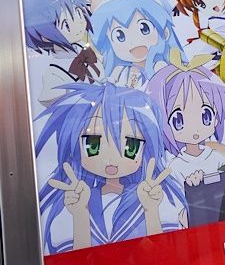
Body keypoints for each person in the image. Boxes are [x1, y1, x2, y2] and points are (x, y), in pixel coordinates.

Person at [37, 81, 186, 253]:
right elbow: (74, 263)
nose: (111, 159)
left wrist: (151, 210)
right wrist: (80, 216)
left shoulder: (150, 195)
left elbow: (163, 254)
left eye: (130, 146)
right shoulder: (78, 199)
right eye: (93, 144)